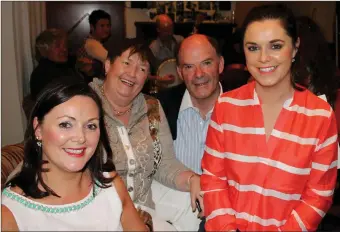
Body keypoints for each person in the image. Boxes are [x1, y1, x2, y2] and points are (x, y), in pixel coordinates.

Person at [201, 4, 338, 231]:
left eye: (275, 46)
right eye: (253, 48)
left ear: (295, 48)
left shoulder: (320, 115)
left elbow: (318, 195)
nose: (264, 58)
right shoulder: (226, 106)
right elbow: (213, 179)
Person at [1, 77, 148, 231]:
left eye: (91, 126)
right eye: (65, 124)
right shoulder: (11, 214)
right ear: (38, 128)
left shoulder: (110, 185)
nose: (80, 137)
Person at [89, 41, 202, 231]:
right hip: (99, 212)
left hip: (143, 200)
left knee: (195, 202)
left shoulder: (151, 107)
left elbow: (165, 162)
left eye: (142, 68)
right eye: (126, 63)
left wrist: (193, 179)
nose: (132, 74)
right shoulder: (84, 103)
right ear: (108, 65)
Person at [157, 34, 226, 175]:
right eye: (189, 67)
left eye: (206, 63)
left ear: (220, 65)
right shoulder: (159, 108)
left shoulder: (244, 109)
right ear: (179, 72)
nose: (199, 74)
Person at [30, 29, 80, 101]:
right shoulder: (43, 74)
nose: (64, 49)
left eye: (65, 45)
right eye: (58, 46)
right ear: (44, 49)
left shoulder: (62, 65)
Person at [76, 9, 111, 82]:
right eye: (102, 26)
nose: (106, 29)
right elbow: (112, 63)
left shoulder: (93, 42)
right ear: (92, 27)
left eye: (108, 25)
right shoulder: (91, 44)